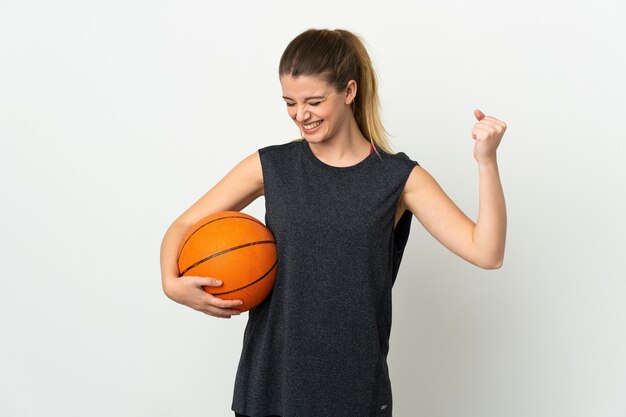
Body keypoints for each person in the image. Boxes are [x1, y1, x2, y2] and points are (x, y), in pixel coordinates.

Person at [160, 28, 507, 417]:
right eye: (290, 103)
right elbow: (184, 225)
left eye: (314, 101)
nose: (301, 115)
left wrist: (486, 161)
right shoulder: (271, 166)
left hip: (355, 393)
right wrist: (171, 285)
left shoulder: (399, 179)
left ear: (349, 91)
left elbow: (487, 252)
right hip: (270, 388)